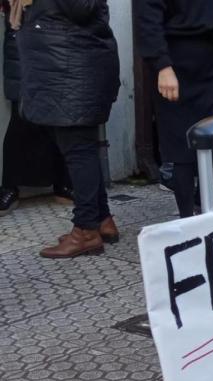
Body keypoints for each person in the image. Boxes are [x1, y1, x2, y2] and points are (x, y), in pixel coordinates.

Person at [138, 0, 213, 219]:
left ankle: (200, 200)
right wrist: (162, 66)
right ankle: (187, 219)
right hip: (174, 63)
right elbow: (147, 20)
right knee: (182, 152)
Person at [17, 0, 119, 258]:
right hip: (63, 66)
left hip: (72, 68)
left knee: (78, 150)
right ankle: (101, 219)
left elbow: (81, 8)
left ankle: (86, 231)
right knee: (80, 149)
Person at [0, 0, 73, 217]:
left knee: (58, 114)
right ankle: (10, 186)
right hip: (20, 29)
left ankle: (63, 182)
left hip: (56, 32)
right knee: (21, 112)